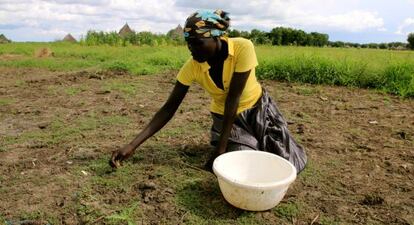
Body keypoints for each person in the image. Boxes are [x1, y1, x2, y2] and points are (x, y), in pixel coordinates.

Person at [110, 9, 307, 173]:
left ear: (216, 38)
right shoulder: (193, 66)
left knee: (288, 161)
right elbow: (168, 109)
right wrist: (132, 145)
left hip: (258, 110)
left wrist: (220, 149)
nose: (192, 49)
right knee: (241, 161)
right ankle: (235, 141)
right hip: (226, 117)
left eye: (198, 43)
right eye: (188, 43)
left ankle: (231, 142)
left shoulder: (242, 48)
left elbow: (233, 98)